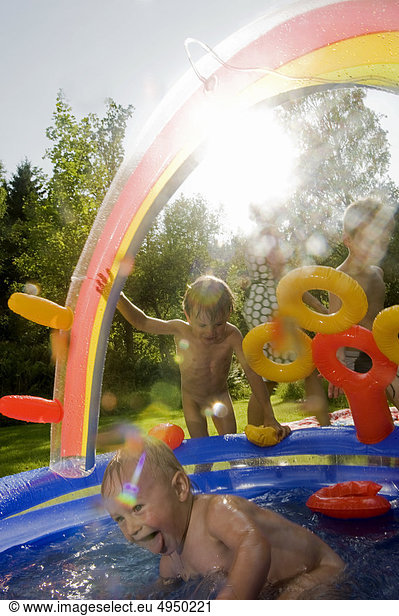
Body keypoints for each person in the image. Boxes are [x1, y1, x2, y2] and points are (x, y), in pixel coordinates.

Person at [101, 437, 345, 600]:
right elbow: (164, 593)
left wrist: (231, 600)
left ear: (179, 489)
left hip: (318, 570)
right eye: (119, 519)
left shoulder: (216, 511)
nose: (130, 529)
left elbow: (254, 544)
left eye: (137, 508)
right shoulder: (171, 560)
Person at [97, 272, 290, 440]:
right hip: (193, 400)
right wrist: (118, 297)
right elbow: (142, 322)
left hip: (220, 397)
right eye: (203, 325)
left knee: (232, 448)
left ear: (229, 313)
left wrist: (269, 415)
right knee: (202, 457)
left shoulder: (232, 336)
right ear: (188, 316)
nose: (211, 332)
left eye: (218, 324)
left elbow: (251, 372)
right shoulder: (180, 330)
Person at [243, 215, 331, 426]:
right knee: (306, 365)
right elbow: (285, 276)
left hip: (259, 303)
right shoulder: (267, 238)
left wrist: (318, 307)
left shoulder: (255, 240)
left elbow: (286, 280)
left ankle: (251, 436)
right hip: (269, 304)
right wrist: (319, 308)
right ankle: (325, 425)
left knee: (268, 376)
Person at [328, 197, 399, 404]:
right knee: (370, 420)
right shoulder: (339, 278)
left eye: (382, 241)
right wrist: (338, 362)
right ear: (347, 240)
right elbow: (335, 325)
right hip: (357, 355)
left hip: (388, 348)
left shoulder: (378, 272)